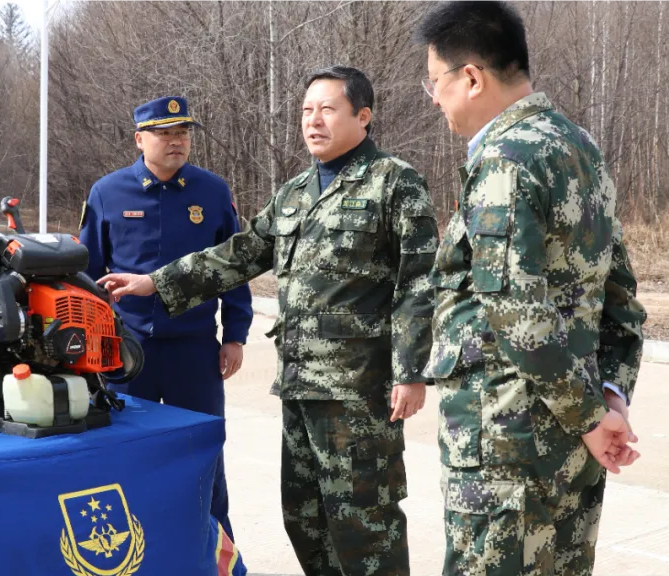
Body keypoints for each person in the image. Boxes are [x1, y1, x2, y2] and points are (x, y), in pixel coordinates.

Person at [97, 66, 439, 576]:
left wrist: (410, 370)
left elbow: (420, 282)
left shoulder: (395, 183)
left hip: (357, 392)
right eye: (306, 111)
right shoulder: (296, 191)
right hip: (300, 387)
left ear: (362, 117)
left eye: (327, 109)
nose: (312, 121)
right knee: (306, 517)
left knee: (364, 521)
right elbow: (239, 254)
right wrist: (155, 283)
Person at [414, 1, 646, 574]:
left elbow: (515, 305)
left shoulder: (506, 160)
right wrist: (607, 400)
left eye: (434, 82)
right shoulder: (579, 147)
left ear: (471, 77)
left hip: (506, 445)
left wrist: (594, 419)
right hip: (567, 446)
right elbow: (619, 296)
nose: (435, 99)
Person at [78, 96, 253, 542]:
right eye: (164, 133)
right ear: (140, 139)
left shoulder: (212, 192)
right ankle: (134, 553)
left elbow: (234, 267)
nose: (176, 141)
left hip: (193, 351)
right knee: (123, 455)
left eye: (183, 133)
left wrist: (235, 335)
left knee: (203, 457)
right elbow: (87, 277)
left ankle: (216, 556)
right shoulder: (107, 192)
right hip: (126, 352)